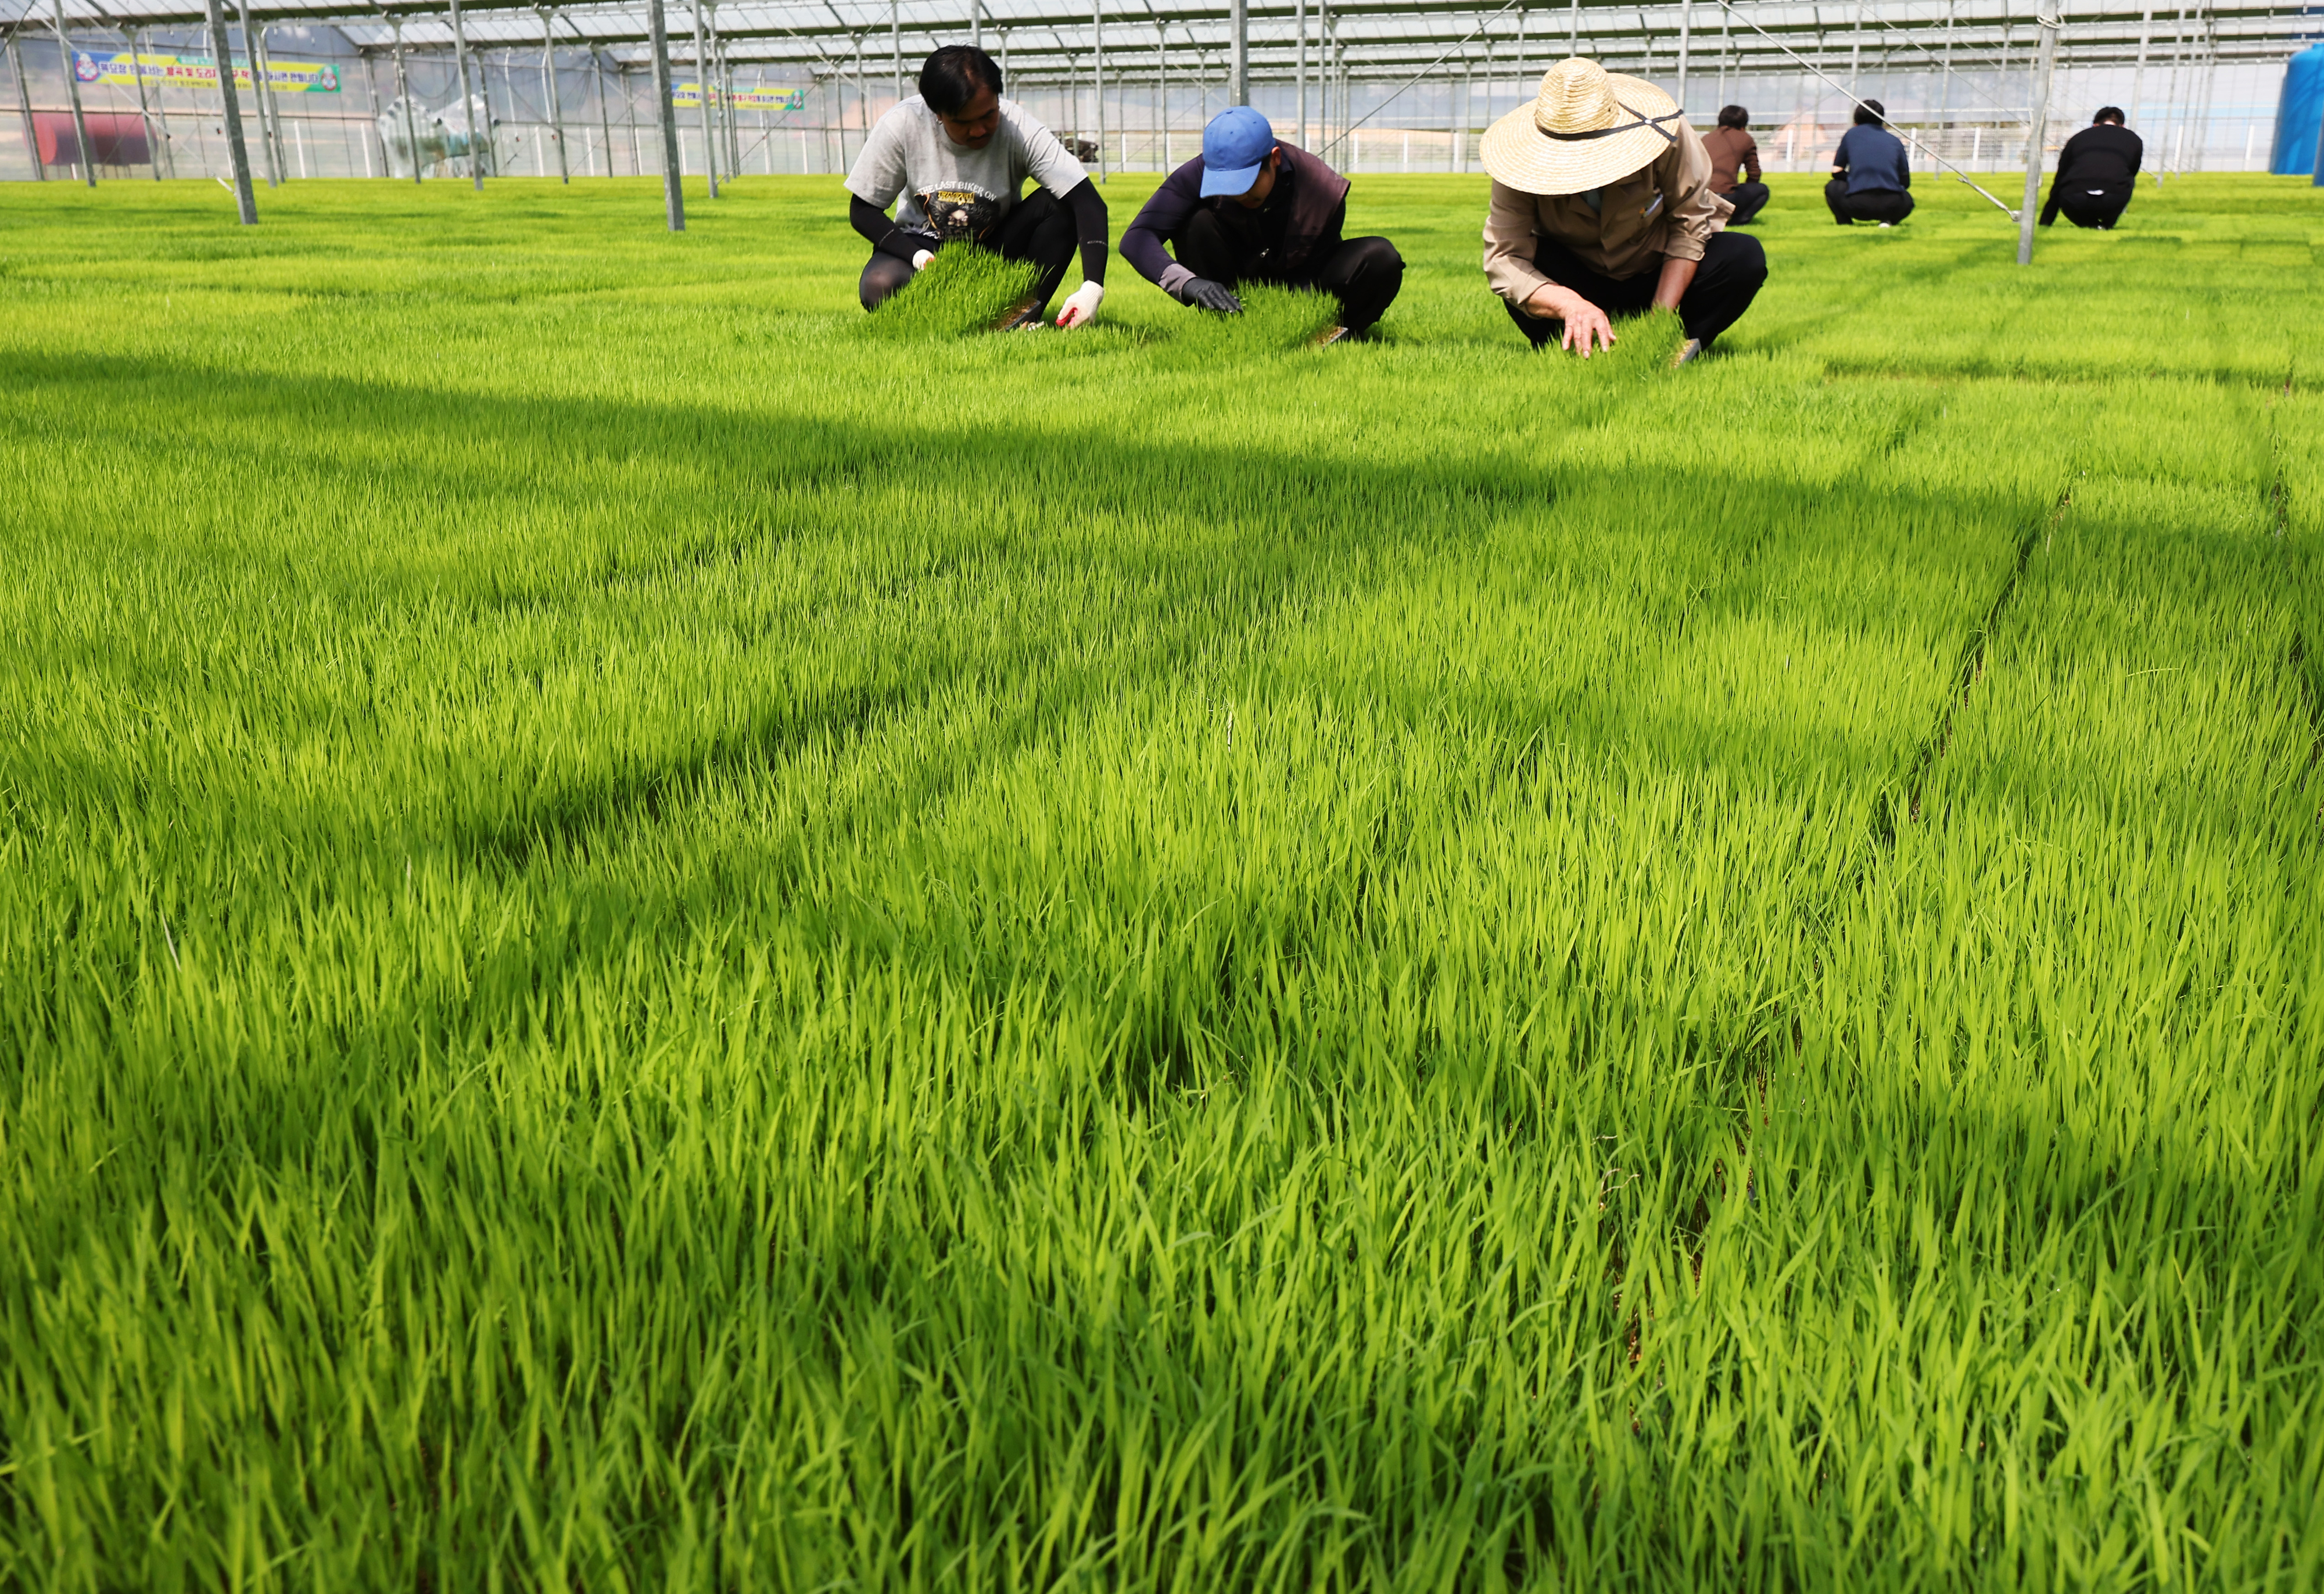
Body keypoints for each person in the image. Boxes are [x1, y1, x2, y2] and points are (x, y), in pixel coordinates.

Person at [1480, 57, 1767, 364]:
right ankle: (1577, 352)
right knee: (1527, 274)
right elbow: (1504, 258)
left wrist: (1660, 319)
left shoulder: (1668, 135)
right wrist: (1569, 304)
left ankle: (1674, 348)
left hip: (1654, 272)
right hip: (1577, 278)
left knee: (1742, 256)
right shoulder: (1518, 162)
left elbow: (1690, 226)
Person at [845, 45, 1108, 328]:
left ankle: (1016, 320)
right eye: (964, 123)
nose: (980, 130)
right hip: (923, 242)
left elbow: (1088, 202)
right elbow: (863, 210)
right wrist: (917, 256)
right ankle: (955, 319)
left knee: (1059, 205)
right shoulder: (903, 124)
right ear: (937, 114)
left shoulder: (1019, 127)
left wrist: (1092, 288)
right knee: (879, 286)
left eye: (988, 115)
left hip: (995, 243)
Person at [1118, 107, 1404, 342]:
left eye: (1247, 182)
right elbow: (1137, 238)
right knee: (1196, 222)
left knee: (1380, 257)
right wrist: (1190, 284)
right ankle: (1227, 331)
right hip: (1235, 282)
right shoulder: (1197, 172)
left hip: (1300, 277)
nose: (1239, 194)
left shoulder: (1322, 188)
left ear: (1275, 159)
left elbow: (1317, 266)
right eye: (1227, 186)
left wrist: (1286, 317)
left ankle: (1328, 338)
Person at [2042, 107, 2143, 229]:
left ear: (2095, 125)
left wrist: (2045, 221)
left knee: (2067, 192)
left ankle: (2092, 225)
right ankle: (2106, 225)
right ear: (2123, 126)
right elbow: (2133, 171)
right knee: (2125, 181)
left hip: (2075, 199)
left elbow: (2061, 177)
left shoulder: (2078, 138)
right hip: (2114, 199)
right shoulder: (2134, 139)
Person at [1826, 99, 1913, 226]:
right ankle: (1888, 221)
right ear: (1882, 119)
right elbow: (1905, 182)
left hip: (1858, 205)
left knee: (1832, 187)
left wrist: (1856, 179)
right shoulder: (1895, 141)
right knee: (1907, 198)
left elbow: (1836, 172)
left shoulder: (1851, 135)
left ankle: (1845, 224)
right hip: (1893, 205)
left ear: (1856, 121)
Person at [1702, 105, 1769, 225]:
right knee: (1762, 191)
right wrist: (1746, 189)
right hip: (1725, 197)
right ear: (1743, 124)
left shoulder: (1706, 138)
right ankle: (1737, 222)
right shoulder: (1746, 139)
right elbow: (1754, 173)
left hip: (1700, 198)